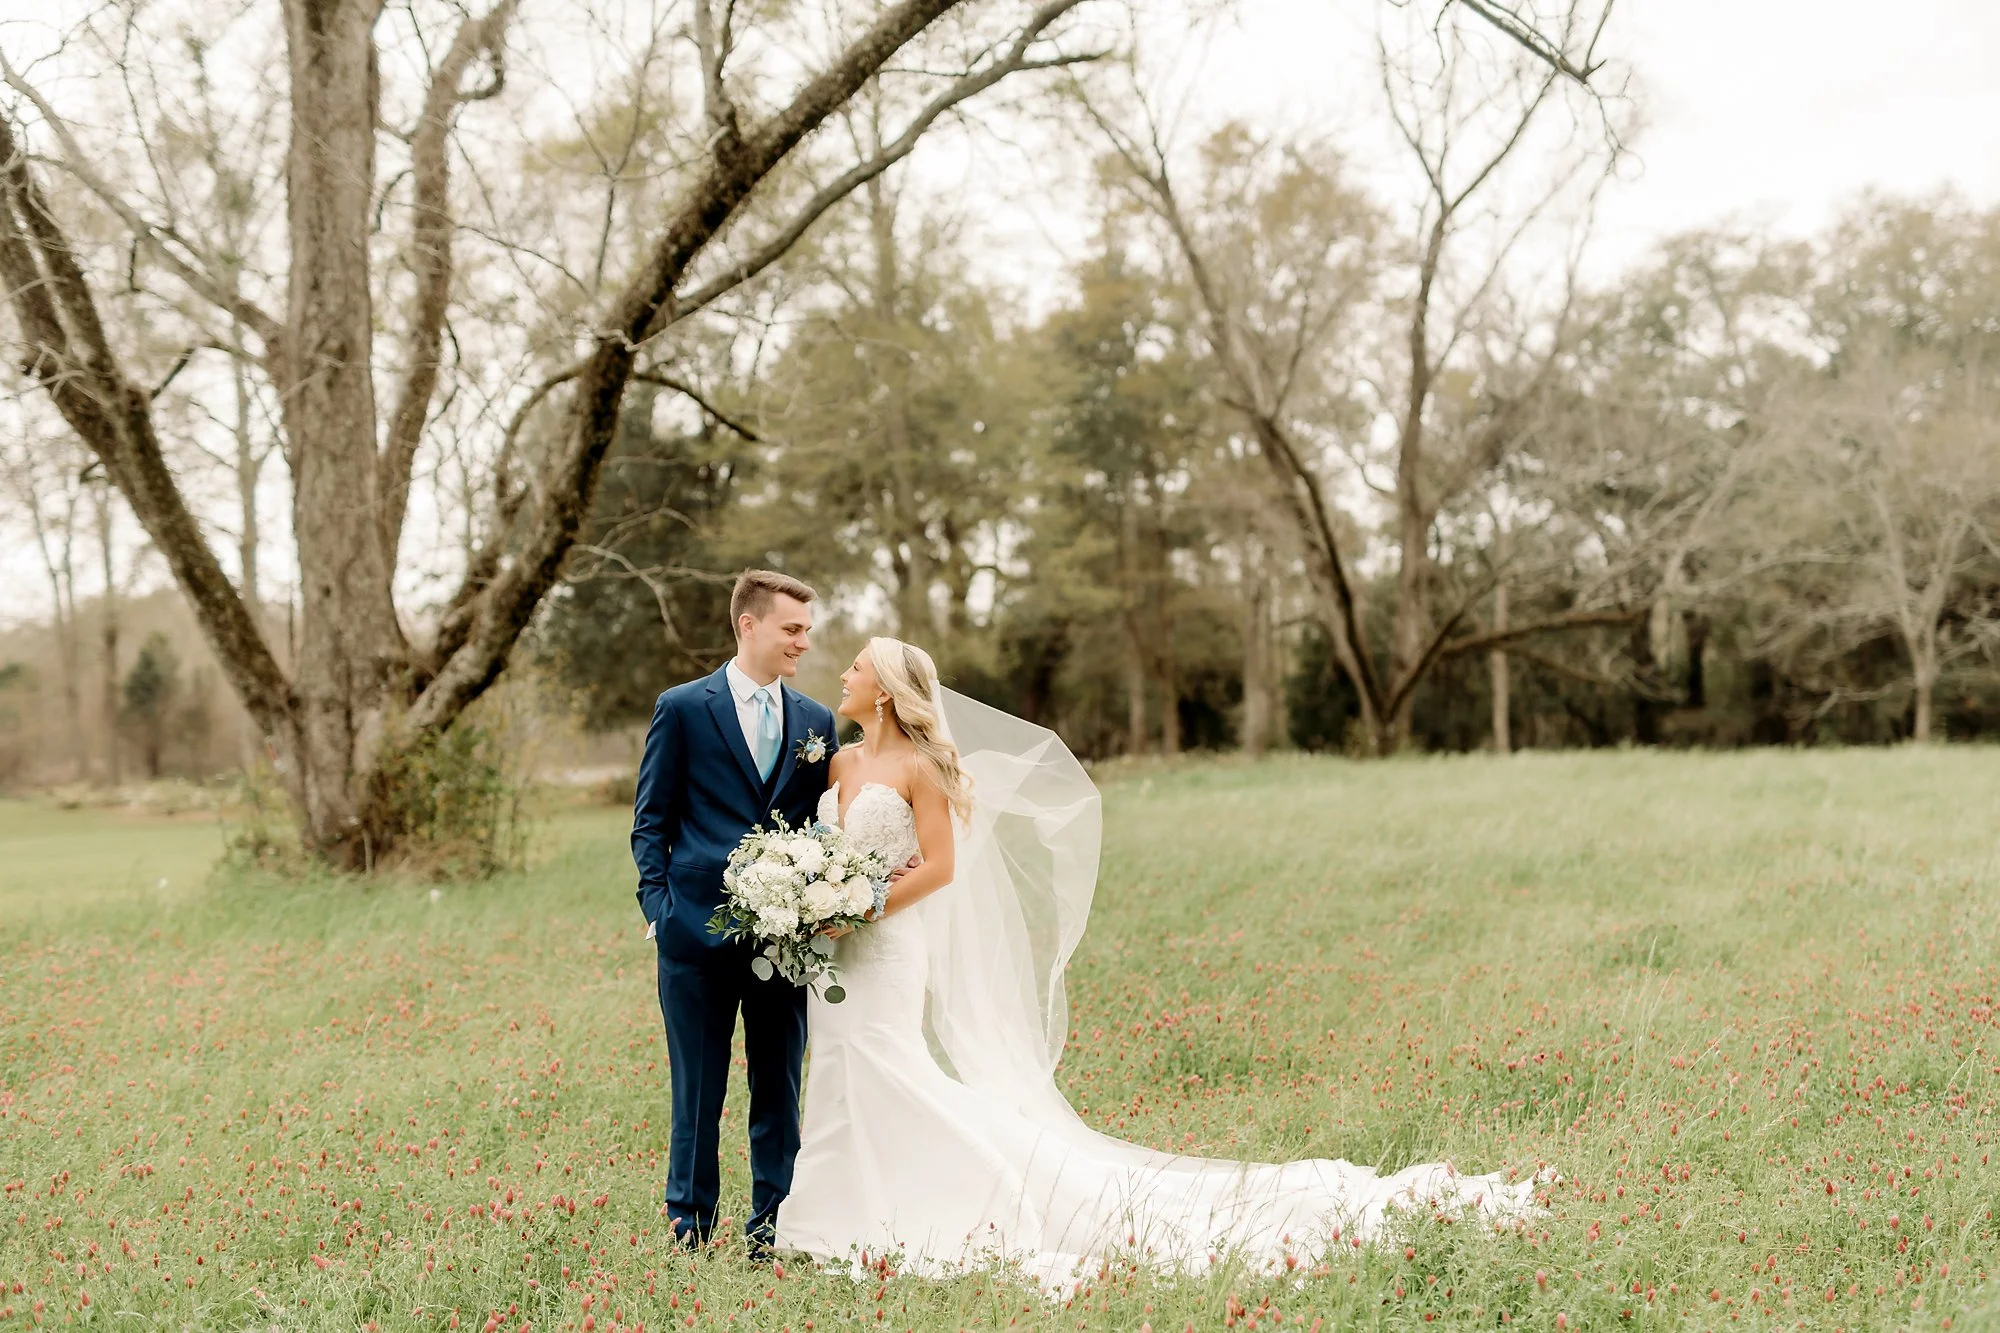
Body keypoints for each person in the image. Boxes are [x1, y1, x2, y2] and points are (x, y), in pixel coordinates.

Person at [776, 636, 1542, 1285]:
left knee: (893, 1068)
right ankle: (838, 1213)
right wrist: (813, 901)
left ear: (886, 690)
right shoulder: (839, 766)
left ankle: (983, 1198)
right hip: (836, 957)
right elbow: (829, 849)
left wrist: (858, 907)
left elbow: (938, 866)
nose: (842, 673)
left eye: (855, 667)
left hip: (886, 945)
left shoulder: (917, 765)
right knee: (841, 1071)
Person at [631, 569, 838, 1261]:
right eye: (791, 628)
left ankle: (772, 1227)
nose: (802, 642)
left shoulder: (816, 723)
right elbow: (650, 822)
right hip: (694, 933)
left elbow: (817, 827)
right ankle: (688, 1228)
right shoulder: (684, 707)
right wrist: (662, 911)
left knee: (778, 1085)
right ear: (748, 625)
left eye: (806, 630)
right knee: (697, 1090)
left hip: (784, 941)